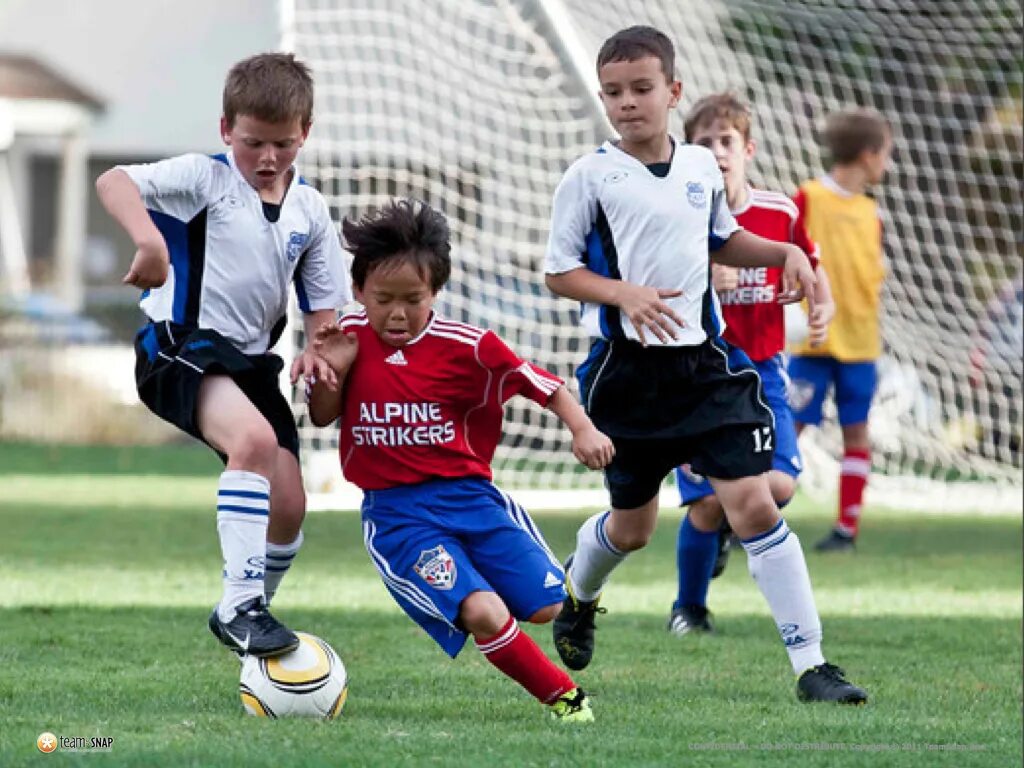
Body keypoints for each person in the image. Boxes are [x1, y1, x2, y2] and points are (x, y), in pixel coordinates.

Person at [544, 25, 867, 703]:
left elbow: (723, 239)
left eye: (641, 88)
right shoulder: (589, 176)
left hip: (705, 370)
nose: (627, 102)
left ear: (672, 91)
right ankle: (580, 593)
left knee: (752, 502)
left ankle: (812, 666)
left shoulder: (697, 167)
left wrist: (784, 254)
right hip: (626, 376)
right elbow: (560, 274)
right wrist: (621, 293)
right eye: (614, 92)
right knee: (632, 530)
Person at [307, 198, 614, 723]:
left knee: (547, 608)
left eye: (413, 299)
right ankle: (567, 700)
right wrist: (331, 371)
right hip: (399, 517)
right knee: (483, 612)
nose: (397, 313)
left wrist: (582, 428)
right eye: (382, 299)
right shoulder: (346, 339)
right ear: (358, 291)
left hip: (472, 500)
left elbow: (543, 386)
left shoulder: (467, 347)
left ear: (436, 293)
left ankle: (571, 594)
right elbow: (320, 416)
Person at [95, 53, 351, 657]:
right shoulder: (203, 179)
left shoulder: (310, 212)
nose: (267, 159)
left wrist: (322, 357)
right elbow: (114, 181)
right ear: (225, 130)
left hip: (253, 364)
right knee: (254, 446)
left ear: (305, 134)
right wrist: (149, 240)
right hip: (179, 347)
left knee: (288, 504)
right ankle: (242, 607)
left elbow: (325, 322)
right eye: (252, 143)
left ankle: (244, 605)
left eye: (283, 145)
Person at [668, 92, 835, 636]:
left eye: (726, 142)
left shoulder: (778, 212)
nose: (716, 152)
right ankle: (688, 609)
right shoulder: (675, 215)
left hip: (763, 375)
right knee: (707, 506)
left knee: (780, 486)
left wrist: (822, 303)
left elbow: (809, 264)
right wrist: (700, 284)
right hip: (697, 378)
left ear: (748, 149)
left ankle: (724, 531)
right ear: (687, 153)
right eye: (703, 143)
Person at [787, 107, 892, 552]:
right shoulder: (808, 197)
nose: (888, 163)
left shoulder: (872, 214)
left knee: (857, 431)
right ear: (868, 155)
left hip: (862, 343)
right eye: (886, 154)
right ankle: (751, 517)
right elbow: (786, 250)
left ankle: (846, 530)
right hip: (813, 341)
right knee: (790, 425)